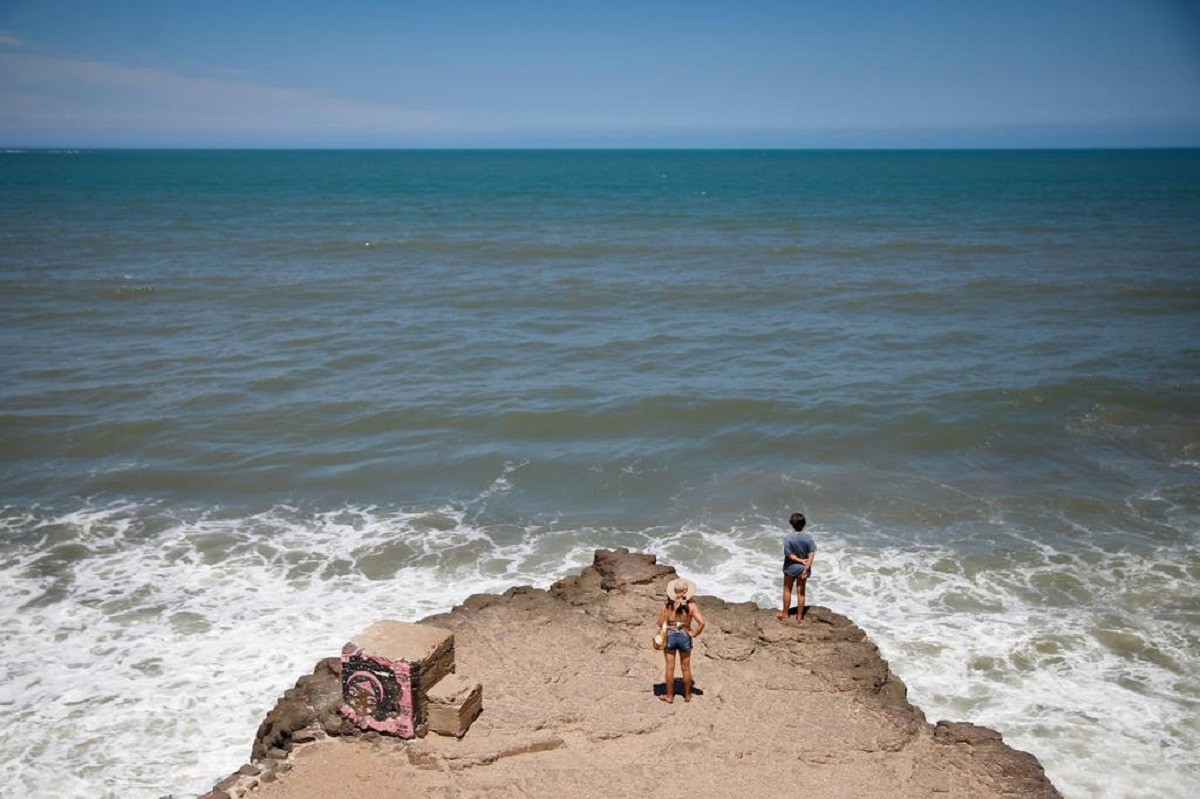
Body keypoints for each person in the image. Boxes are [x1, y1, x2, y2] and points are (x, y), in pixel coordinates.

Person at [655, 577, 705, 703]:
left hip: (671, 636)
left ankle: (670, 696)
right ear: (687, 592)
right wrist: (694, 633)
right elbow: (702, 623)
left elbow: (660, 623)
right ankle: (687, 695)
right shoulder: (692, 606)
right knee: (686, 668)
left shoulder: (667, 605)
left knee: (670, 668)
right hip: (684, 636)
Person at [777, 512, 815, 624]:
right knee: (801, 592)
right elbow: (812, 554)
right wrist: (806, 568)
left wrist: (799, 560)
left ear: (791, 524)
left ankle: (785, 614)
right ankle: (799, 617)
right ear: (804, 524)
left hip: (790, 567)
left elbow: (789, 555)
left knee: (787, 589)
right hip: (803, 568)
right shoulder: (808, 537)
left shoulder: (788, 538)